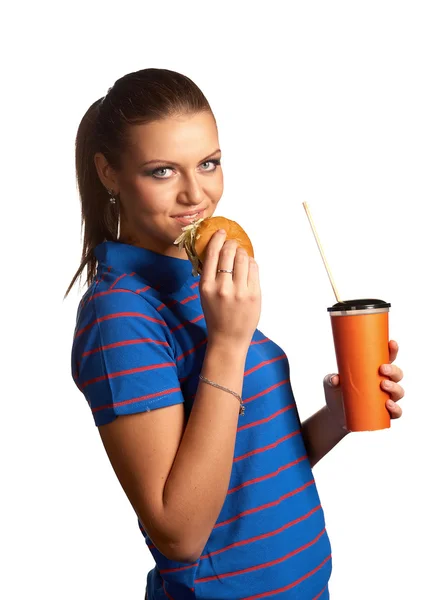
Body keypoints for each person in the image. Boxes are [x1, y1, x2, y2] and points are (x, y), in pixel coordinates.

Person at [66, 68, 405, 600]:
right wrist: (227, 343)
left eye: (208, 163)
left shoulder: (198, 276)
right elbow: (179, 531)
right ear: (109, 173)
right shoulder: (119, 315)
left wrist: (335, 419)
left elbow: (241, 470)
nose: (195, 194)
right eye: (162, 172)